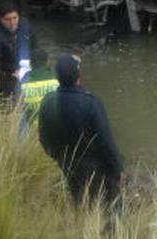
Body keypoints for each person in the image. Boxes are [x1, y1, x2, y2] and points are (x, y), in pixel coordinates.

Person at [38, 53, 124, 207]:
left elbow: (44, 139)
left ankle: (82, 226)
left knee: (79, 201)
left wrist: (59, 158)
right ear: (79, 75)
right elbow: (106, 142)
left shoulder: (47, 102)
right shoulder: (91, 104)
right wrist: (117, 171)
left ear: (56, 77)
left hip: (67, 165)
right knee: (112, 208)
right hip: (96, 168)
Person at [0, 1, 38, 95]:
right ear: (1, 19)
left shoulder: (25, 24)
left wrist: (36, 63)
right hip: (9, 73)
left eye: (14, 18)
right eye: (7, 19)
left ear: (19, 16)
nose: (12, 23)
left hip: (27, 66)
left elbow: (34, 46)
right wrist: (10, 74)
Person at [21, 48, 58, 120]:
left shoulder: (24, 82)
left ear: (30, 63)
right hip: (55, 127)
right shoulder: (57, 79)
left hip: (32, 129)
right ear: (47, 62)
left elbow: (17, 106)